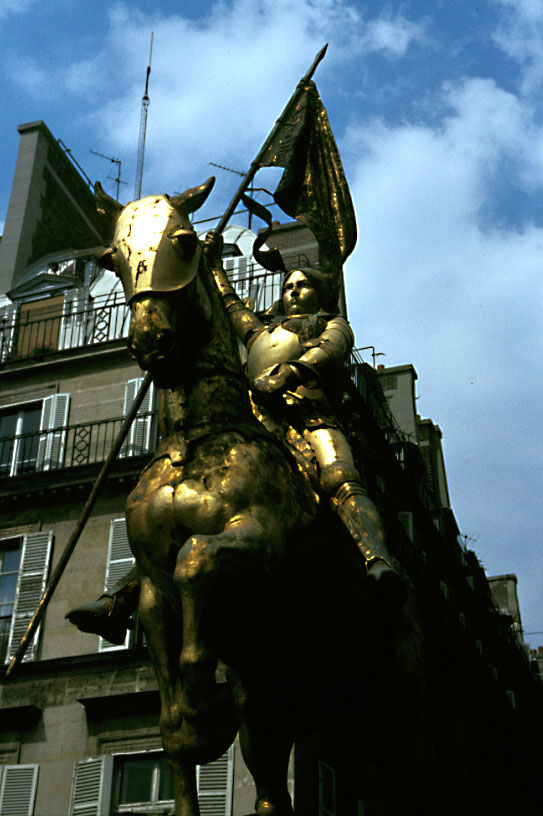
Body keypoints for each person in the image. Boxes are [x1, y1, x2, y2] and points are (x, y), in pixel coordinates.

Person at [67, 235, 405, 644]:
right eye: (289, 286)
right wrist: (213, 265)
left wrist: (293, 372)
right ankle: (121, 599)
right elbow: (232, 308)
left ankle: (376, 557)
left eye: (303, 285)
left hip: (310, 416)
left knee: (339, 476)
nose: (294, 290)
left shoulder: (330, 323)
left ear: (320, 294)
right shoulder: (264, 332)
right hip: (258, 422)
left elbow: (331, 351)